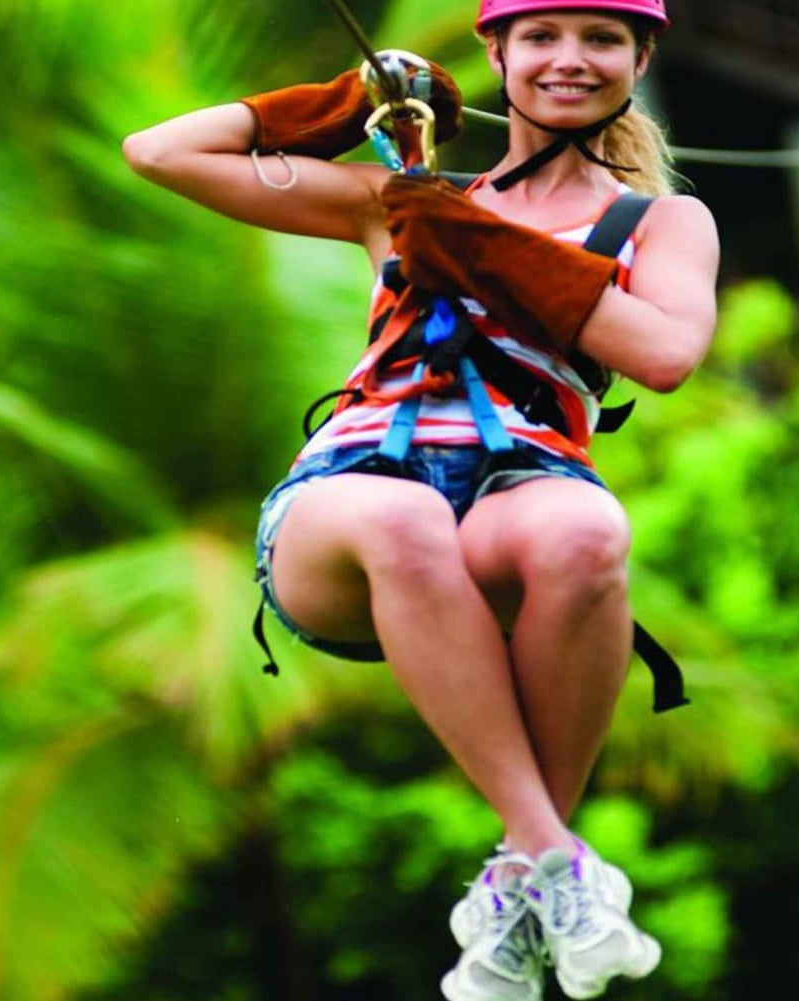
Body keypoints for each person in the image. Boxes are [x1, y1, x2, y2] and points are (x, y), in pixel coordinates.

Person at [124, 0, 718, 997]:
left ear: (640, 56)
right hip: (351, 501)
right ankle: (552, 855)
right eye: (541, 37)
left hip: (516, 489)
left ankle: (521, 879)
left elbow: (663, 353)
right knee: (402, 518)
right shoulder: (394, 197)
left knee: (587, 529)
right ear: (497, 52)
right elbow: (158, 153)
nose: (569, 60)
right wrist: (334, 104)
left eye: (601, 39)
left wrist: (487, 245)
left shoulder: (655, 222)